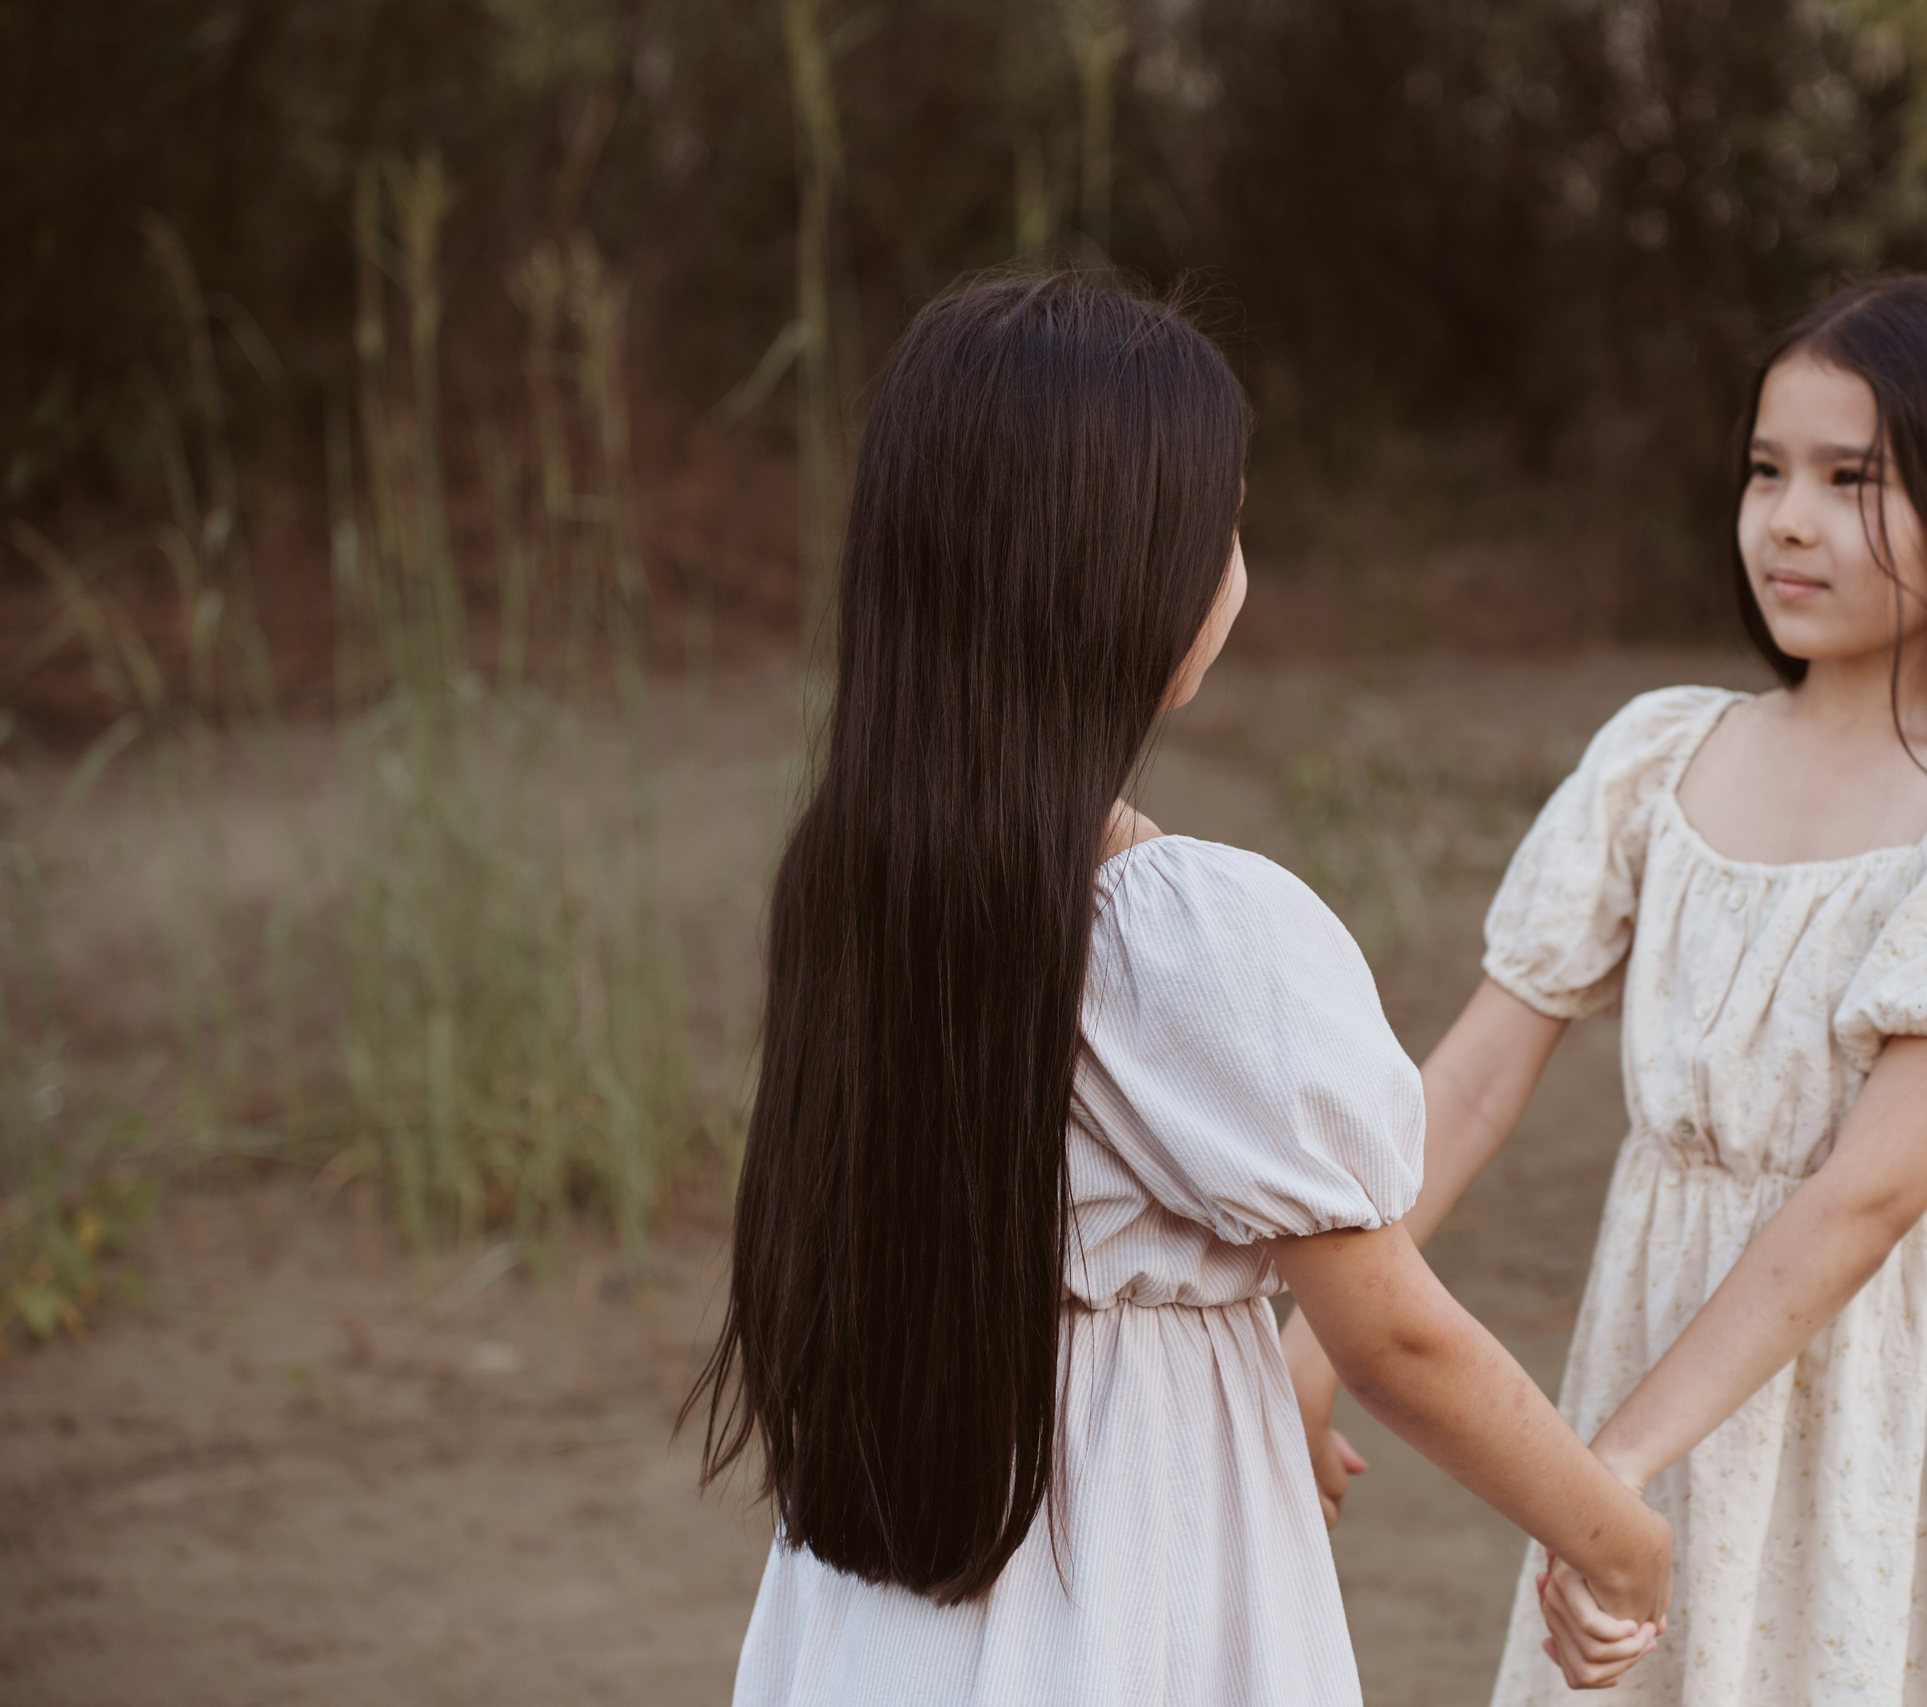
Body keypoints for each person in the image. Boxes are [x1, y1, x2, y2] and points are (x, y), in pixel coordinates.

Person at [680, 275, 1672, 1707]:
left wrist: (1225, 1360)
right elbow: (1392, 1331)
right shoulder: (1190, 933)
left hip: (888, 1610)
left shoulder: (861, 882)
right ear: (1130, 577)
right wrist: (1618, 1538)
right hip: (1122, 1588)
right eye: (1228, 520)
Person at [1282, 274, 1927, 1702]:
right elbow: (1470, 1079)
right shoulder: (1664, 756)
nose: (1789, 519)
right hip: (1658, 1325)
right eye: (1767, 471)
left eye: (1852, 479)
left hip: (1878, 1384)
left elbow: (1862, 1199)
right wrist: (1312, 1343)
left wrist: (1610, 1464)